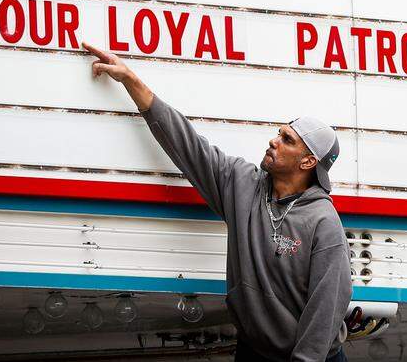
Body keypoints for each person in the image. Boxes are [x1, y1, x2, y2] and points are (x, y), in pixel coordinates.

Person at [85, 43, 353, 362]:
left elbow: (327, 305)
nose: (273, 140)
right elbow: (188, 145)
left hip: (312, 358)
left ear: (308, 163)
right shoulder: (242, 184)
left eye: (287, 140)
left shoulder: (323, 222)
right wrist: (131, 80)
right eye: (279, 133)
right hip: (255, 351)